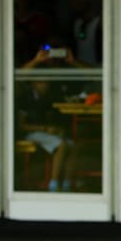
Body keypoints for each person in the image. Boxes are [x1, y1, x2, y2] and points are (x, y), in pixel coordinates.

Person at [18, 48, 78, 192]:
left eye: (47, 82)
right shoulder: (24, 98)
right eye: (40, 82)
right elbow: (21, 126)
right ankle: (53, 183)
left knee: (73, 145)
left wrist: (56, 129)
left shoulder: (50, 96)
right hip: (30, 133)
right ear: (32, 82)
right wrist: (44, 129)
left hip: (46, 132)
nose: (44, 85)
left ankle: (67, 184)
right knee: (62, 145)